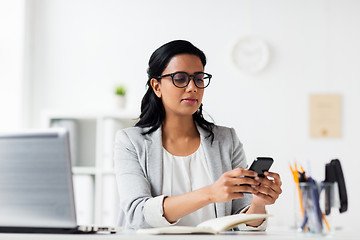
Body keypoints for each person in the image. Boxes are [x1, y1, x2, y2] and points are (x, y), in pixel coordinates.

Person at [114, 40, 282, 230]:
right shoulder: (130, 142)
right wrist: (210, 193)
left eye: (199, 78)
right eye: (180, 78)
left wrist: (258, 204)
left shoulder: (227, 140)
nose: (192, 87)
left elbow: (240, 223)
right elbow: (138, 215)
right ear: (156, 86)